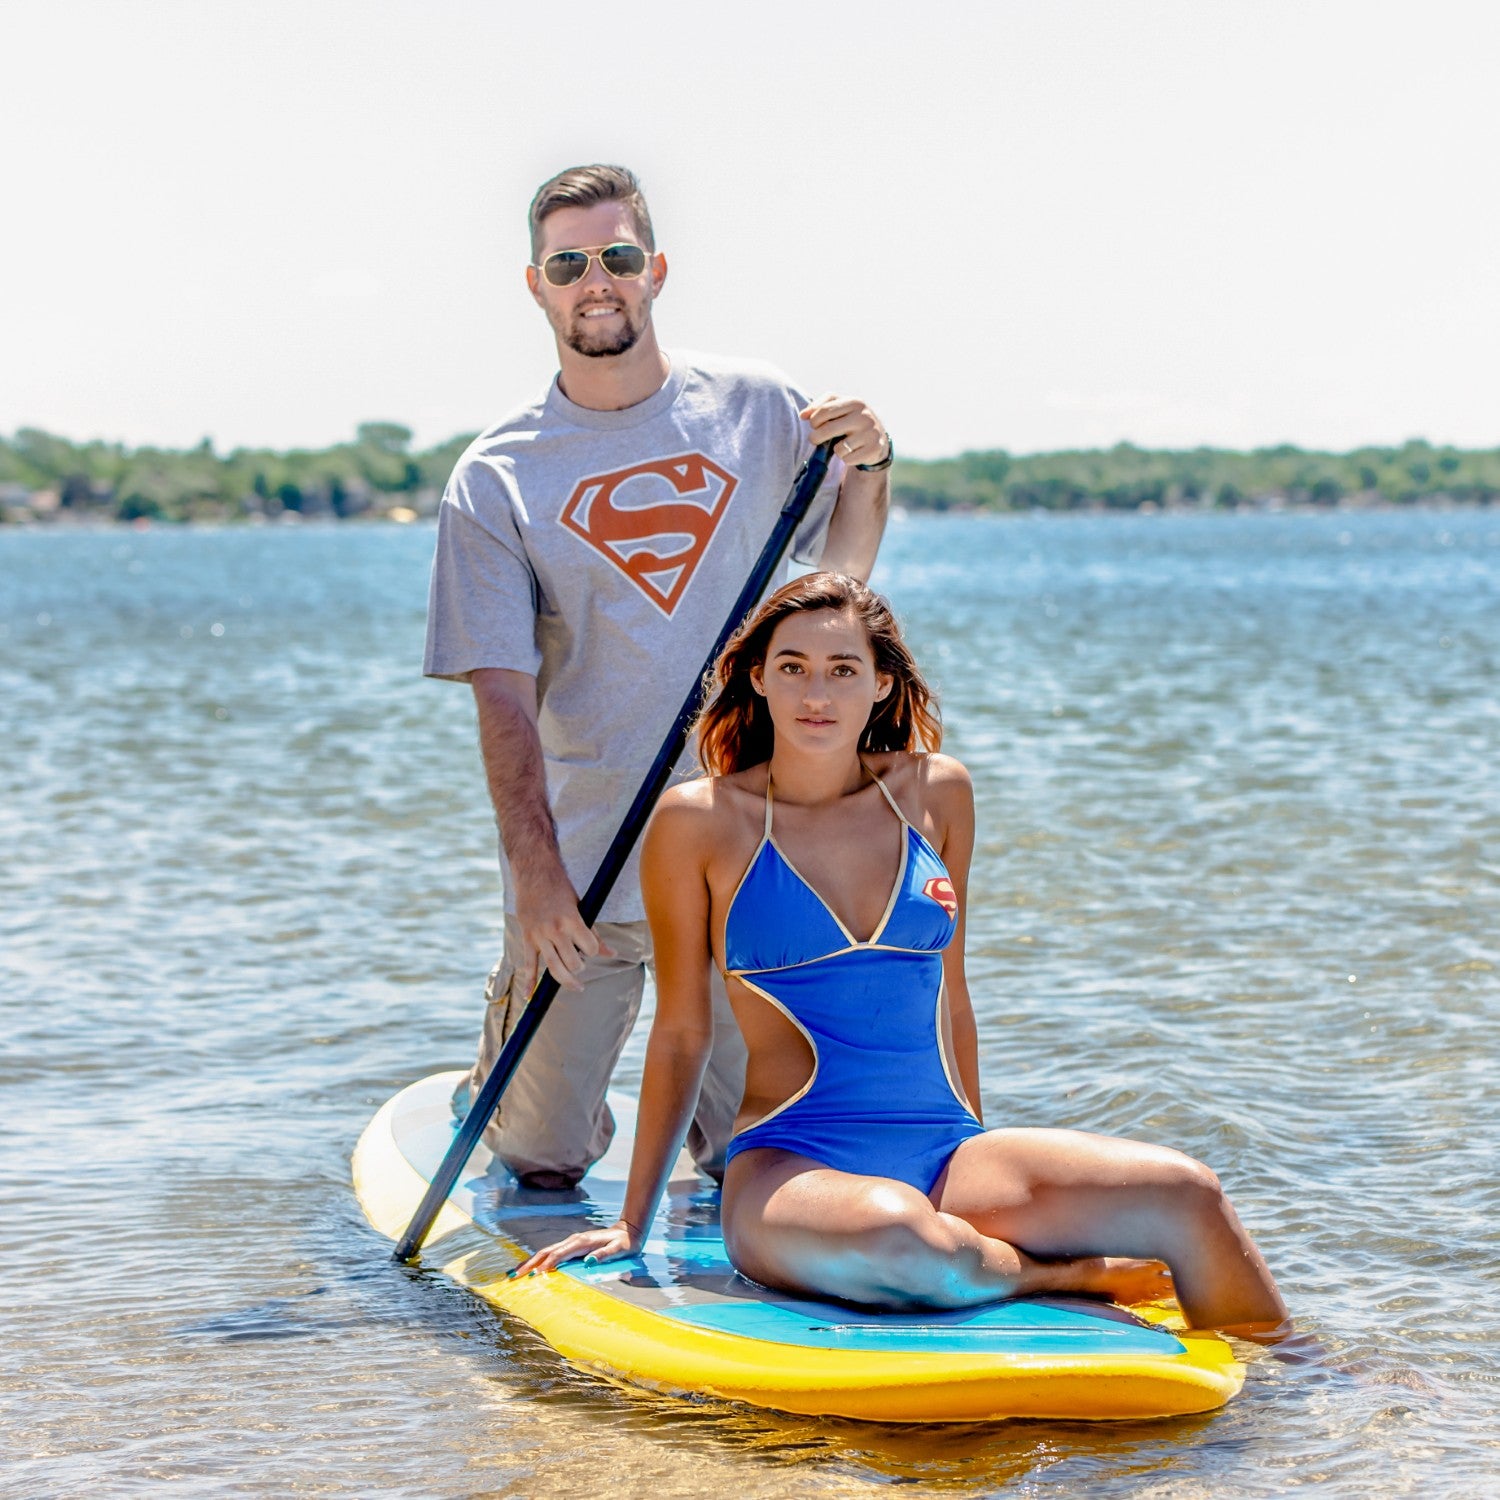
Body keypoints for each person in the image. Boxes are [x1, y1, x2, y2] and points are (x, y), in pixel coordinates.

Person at [515, 573, 1290, 1336]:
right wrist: (632, 1223)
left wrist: (984, 1152)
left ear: (881, 683)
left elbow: (954, 998)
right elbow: (683, 1032)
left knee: (1189, 1192)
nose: (817, 694)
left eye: (842, 670)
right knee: (901, 1236)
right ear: (759, 678)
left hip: (944, 1151)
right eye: (793, 668)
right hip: (793, 1166)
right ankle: (1057, 1275)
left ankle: (1299, 1381)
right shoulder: (701, 822)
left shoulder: (935, 794)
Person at [423, 165, 892, 1190]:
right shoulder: (496, 476)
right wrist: (536, 877)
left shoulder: (762, 409)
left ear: (657, 270)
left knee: (757, 1158)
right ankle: (502, 1081)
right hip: (586, 861)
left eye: (619, 256)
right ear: (537, 286)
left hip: (747, 855)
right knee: (540, 1160)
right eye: (569, 264)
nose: (597, 280)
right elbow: (502, 700)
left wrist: (872, 464)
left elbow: (841, 581)